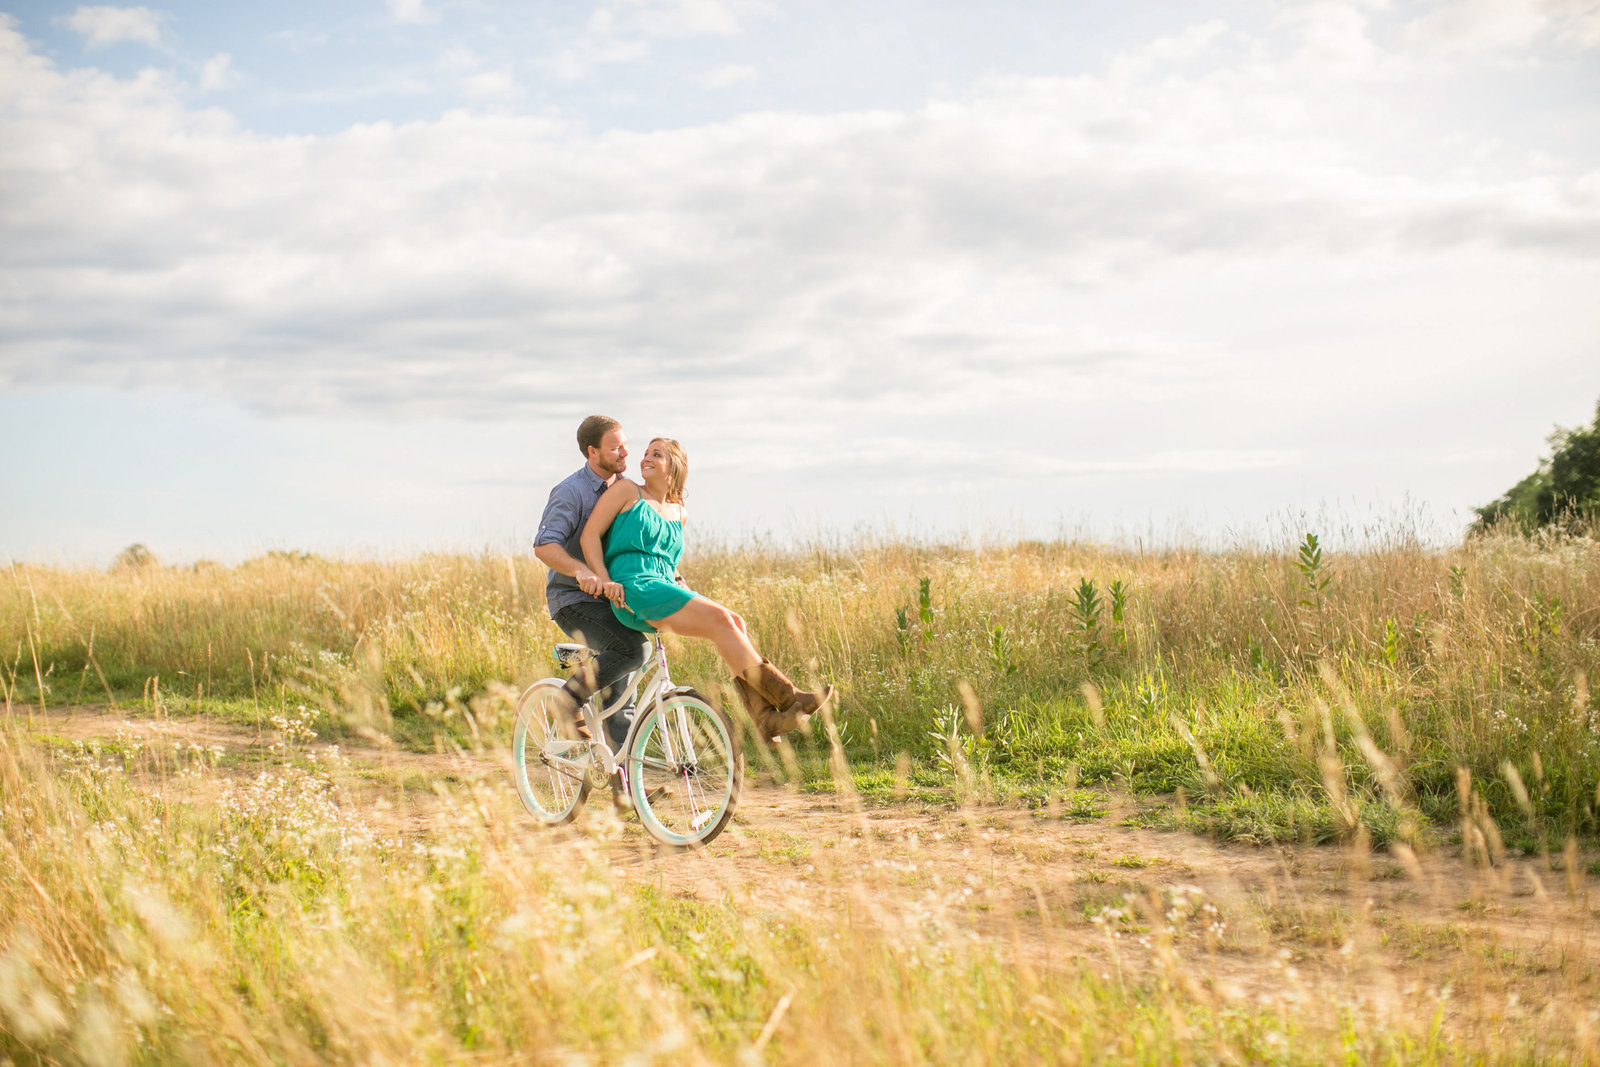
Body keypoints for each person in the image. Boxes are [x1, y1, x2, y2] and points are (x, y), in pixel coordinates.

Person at [579, 436, 832, 743]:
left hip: (664, 585)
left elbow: (667, 561)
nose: (645, 458)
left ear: (673, 468)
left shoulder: (679, 512)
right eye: (646, 453)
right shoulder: (626, 490)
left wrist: (679, 580)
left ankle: (764, 715)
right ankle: (786, 697)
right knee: (722, 622)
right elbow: (589, 536)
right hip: (634, 587)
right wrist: (605, 580)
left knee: (735, 621)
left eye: (656, 455)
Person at [533, 415, 651, 746]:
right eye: (615, 448)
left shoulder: (627, 490)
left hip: (615, 600)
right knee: (633, 649)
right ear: (592, 452)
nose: (625, 453)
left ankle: (623, 787)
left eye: (626, 445)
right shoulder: (572, 492)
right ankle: (567, 701)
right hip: (575, 601)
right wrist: (580, 571)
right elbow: (544, 546)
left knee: (622, 695)